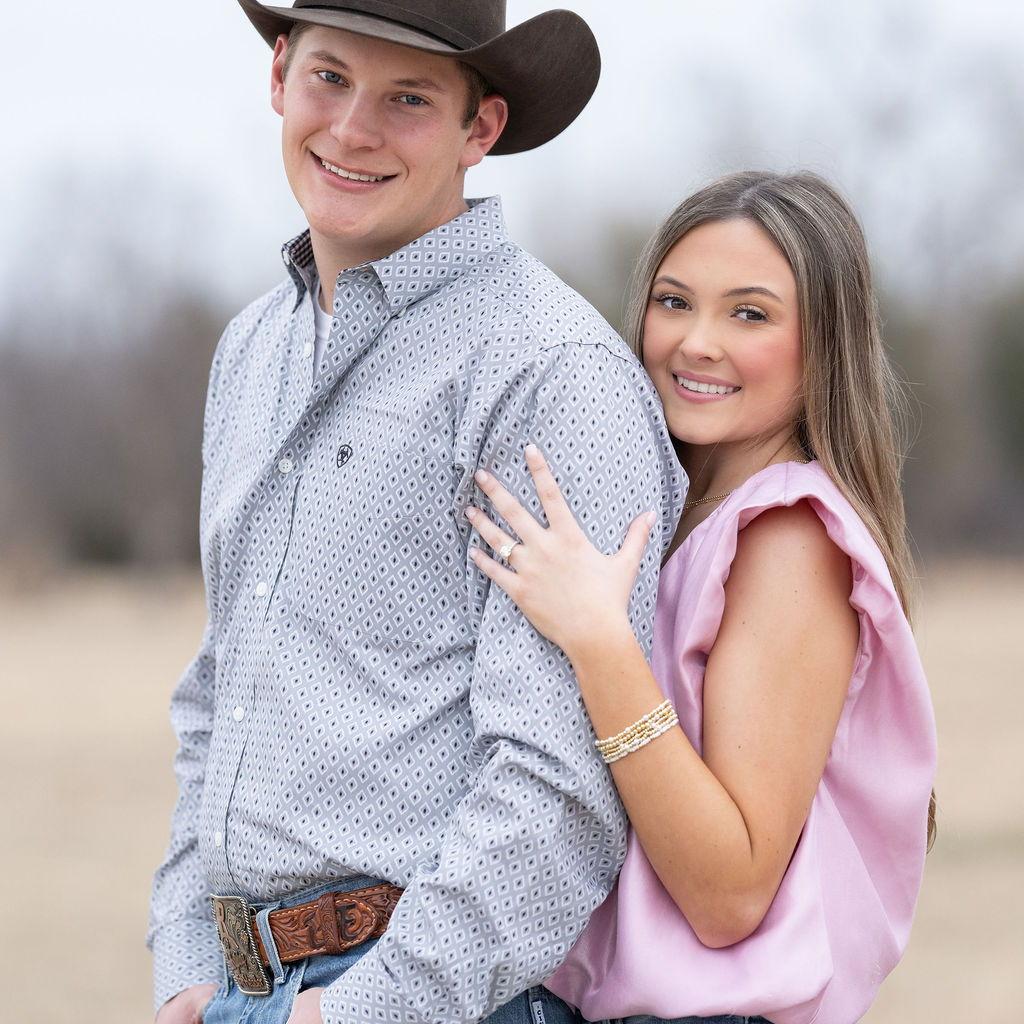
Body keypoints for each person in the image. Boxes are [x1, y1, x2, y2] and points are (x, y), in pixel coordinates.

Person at [146, 3, 687, 1024]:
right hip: (238, 991)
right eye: (329, 78)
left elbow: (556, 785)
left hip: (427, 1000)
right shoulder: (252, 350)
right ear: (278, 74)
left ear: (480, 128)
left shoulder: (548, 370)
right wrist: (187, 959)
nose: (353, 129)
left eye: (407, 99)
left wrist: (357, 1014)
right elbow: (220, 689)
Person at [465, 170, 938, 1024]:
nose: (697, 343)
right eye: (674, 302)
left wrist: (598, 642)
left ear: (823, 346)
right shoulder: (684, 514)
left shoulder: (788, 538)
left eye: (749, 314)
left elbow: (730, 894)